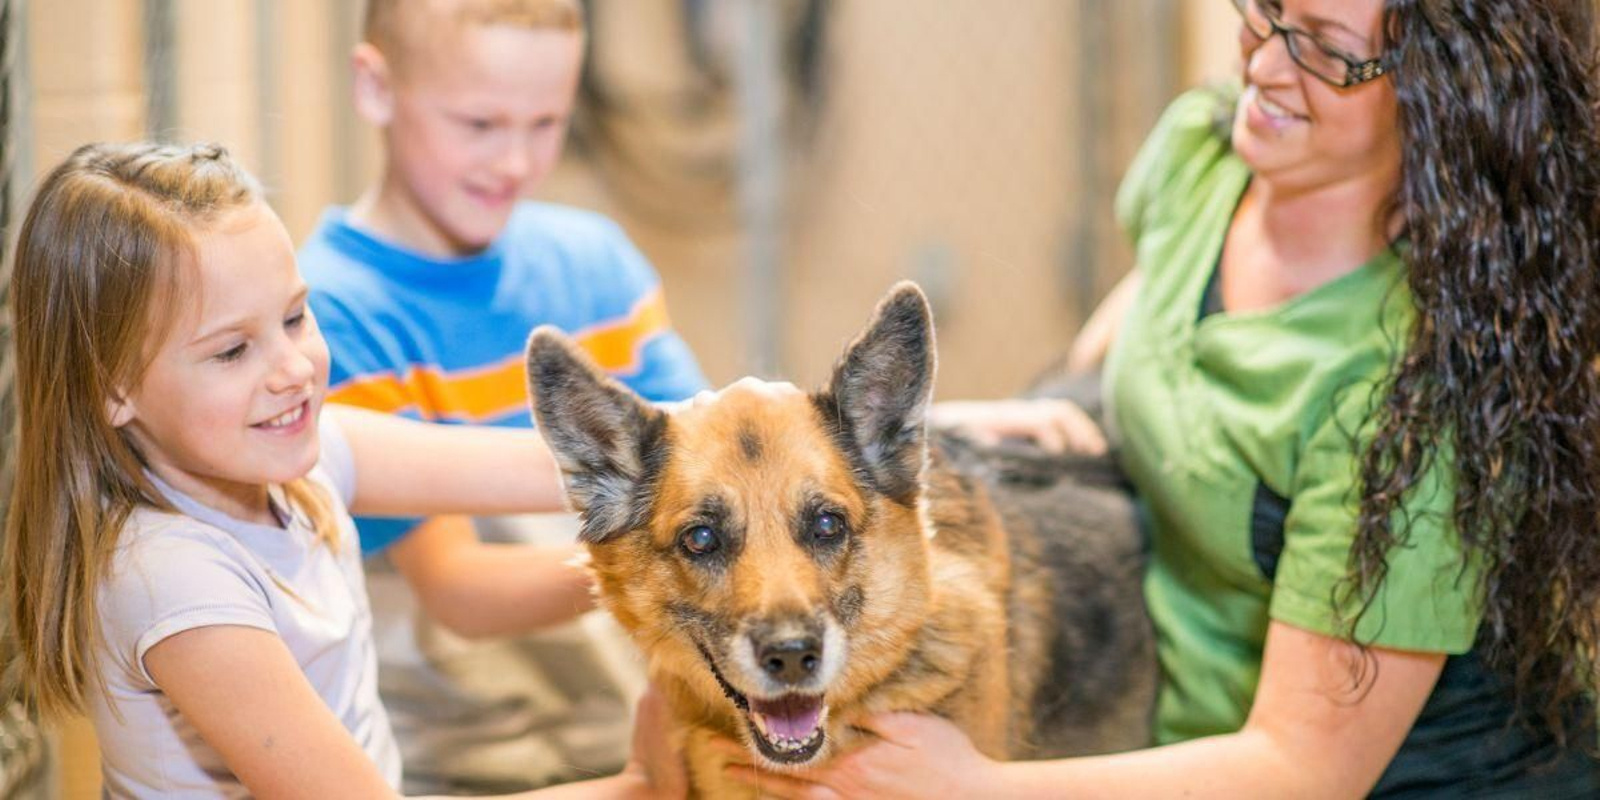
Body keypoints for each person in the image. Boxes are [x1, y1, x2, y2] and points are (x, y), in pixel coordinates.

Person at [726, 0, 1600, 796]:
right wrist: (975, 424)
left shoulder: (1407, 397)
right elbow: (1158, 317)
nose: (1262, 68)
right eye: (1266, 12)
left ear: (1442, 97)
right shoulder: (1210, 154)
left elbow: (1306, 770)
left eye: (1326, 51)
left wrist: (972, 786)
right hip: (1182, 738)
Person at [1, 141, 684, 799]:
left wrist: (722, 434)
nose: (295, 370)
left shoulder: (305, 460)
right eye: (232, 351)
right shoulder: (172, 578)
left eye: (295, 317)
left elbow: (552, 466)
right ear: (114, 386)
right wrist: (635, 790)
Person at [298, 0, 707, 790]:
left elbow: (708, 446)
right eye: (479, 124)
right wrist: (682, 557)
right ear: (376, 88)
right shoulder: (329, 316)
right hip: (458, 759)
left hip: (622, 730)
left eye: (546, 122)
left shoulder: (595, 263)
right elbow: (462, 592)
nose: (515, 162)